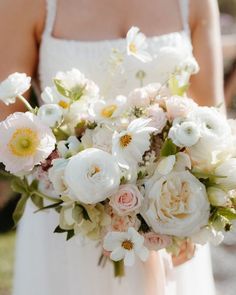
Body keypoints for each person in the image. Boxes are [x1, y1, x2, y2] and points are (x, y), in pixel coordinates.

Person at [0, 0, 224, 294]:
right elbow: (8, 122)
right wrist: (89, 186)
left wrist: (184, 210)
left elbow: (213, 123)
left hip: (171, 219)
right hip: (68, 224)